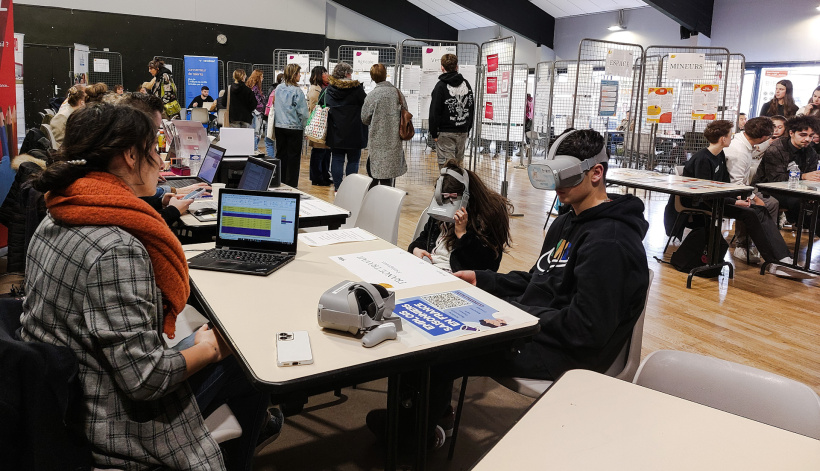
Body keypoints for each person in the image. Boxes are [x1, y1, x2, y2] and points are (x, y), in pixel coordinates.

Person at [19, 103, 278, 470]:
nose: (159, 160)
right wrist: (208, 350)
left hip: (70, 399)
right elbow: (145, 379)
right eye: (155, 150)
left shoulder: (60, 211)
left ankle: (253, 432)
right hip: (113, 422)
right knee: (246, 355)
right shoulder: (115, 248)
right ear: (129, 155)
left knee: (225, 344)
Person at [368, 129, 650, 448]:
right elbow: (537, 280)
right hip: (532, 329)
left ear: (596, 173)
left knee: (440, 349)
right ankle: (420, 420)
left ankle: (414, 436)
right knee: (429, 328)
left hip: (563, 352)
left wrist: (511, 316)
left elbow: (586, 330)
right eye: (553, 176)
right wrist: (485, 279)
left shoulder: (610, 243)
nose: (558, 187)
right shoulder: (566, 223)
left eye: (567, 176)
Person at [668, 120, 800, 276]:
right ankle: (775, 261)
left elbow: (723, 186)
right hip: (702, 203)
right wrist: (735, 201)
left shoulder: (719, 155)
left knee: (757, 210)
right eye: (731, 135)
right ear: (723, 138)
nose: (734, 137)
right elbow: (705, 194)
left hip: (718, 200)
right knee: (753, 212)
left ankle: (781, 258)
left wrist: (737, 197)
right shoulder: (703, 159)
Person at [408, 161, 512, 272]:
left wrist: (462, 235)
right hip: (429, 268)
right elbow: (424, 237)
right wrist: (416, 249)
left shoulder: (487, 217)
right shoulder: (441, 208)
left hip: (457, 276)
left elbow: (486, 266)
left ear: (467, 198)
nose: (445, 205)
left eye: (451, 201)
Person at [724, 117, 779, 263]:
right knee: (754, 204)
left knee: (772, 203)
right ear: (762, 137)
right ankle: (742, 245)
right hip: (730, 193)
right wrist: (755, 198)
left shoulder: (744, 142)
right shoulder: (739, 151)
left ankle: (762, 244)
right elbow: (736, 184)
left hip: (740, 188)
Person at [753, 115, 820, 226]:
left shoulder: (810, 151)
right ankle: (804, 224)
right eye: (803, 135)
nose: (807, 139)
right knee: (799, 203)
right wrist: (803, 176)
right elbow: (775, 179)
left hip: (797, 190)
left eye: (811, 136)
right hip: (767, 189)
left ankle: (808, 226)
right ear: (791, 133)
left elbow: (812, 176)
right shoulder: (776, 149)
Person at [361, 63, 408, 187]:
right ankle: (387, 198)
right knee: (389, 172)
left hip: (377, 140)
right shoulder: (398, 94)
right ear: (386, 74)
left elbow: (364, 119)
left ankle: (374, 199)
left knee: (375, 170)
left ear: (372, 77)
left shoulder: (371, 96)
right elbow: (406, 113)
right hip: (394, 139)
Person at [325, 62, 368, 191]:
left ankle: (338, 187)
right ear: (346, 74)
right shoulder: (357, 89)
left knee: (337, 158)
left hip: (336, 129)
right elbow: (365, 104)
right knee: (353, 160)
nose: (351, 75)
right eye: (350, 72)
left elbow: (325, 104)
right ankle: (349, 188)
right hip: (355, 130)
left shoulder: (330, 89)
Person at [428, 53, 475, 167]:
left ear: (442, 67)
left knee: (447, 167)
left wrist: (433, 132)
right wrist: (467, 127)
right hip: (462, 130)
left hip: (445, 132)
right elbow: (471, 107)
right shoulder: (466, 84)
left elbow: (435, 111)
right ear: (457, 66)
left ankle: (449, 184)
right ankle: (459, 184)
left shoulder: (440, 86)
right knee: (458, 166)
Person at [273, 64, 309, 187]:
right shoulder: (297, 91)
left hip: (279, 126)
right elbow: (303, 113)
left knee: (281, 155)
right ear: (294, 75)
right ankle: (292, 185)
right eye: (299, 73)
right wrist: (306, 126)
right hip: (294, 128)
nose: (300, 75)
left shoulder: (278, 88)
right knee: (293, 158)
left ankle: (280, 182)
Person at [307, 66, 332, 186]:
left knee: (325, 152)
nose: (327, 74)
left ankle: (324, 175)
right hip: (318, 126)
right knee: (318, 153)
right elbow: (313, 108)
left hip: (324, 126)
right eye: (324, 73)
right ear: (319, 75)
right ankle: (317, 177)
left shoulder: (324, 88)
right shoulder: (315, 90)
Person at [264, 73, 284, 158]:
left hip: (271, 118)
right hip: (281, 120)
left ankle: (272, 161)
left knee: (269, 141)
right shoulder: (284, 90)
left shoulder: (273, 89)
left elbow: (268, 103)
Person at [245, 69, 266, 149]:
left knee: (254, 133)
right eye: (262, 76)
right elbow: (256, 102)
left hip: (253, 113)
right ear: (258, 77)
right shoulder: (255, 88)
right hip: (256, 113)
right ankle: (253, 153)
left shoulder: (250, 87)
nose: (263, 78)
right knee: (256, 134)